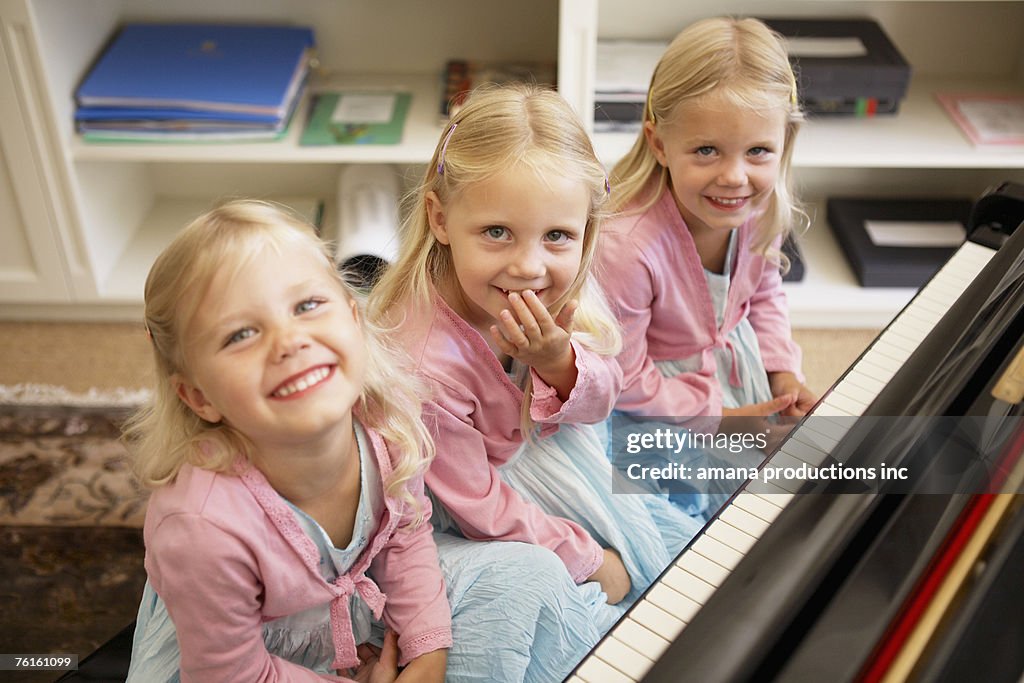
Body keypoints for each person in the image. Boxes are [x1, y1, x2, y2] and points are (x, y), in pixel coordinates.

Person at [368, 84, 702, 665]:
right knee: (593, 617)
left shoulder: (555, 281)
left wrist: (557, 361)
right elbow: (478, 507)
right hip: (457, 505)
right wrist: (587, 558)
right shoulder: (422, 365)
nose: (528, 265)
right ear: (440, 218)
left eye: (557, 237)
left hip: (538, 456)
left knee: (684, 555)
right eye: (496, 232)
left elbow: (602, 397)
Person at [596, 17, 818, 516]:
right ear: (659, 143)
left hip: (732, 374)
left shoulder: (760, 207)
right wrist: (725, 420)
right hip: (653, 405)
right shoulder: (626, 246)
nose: (735, 177)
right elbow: (625, 383)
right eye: (706, 151)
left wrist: (783, 373)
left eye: (758, 151)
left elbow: (763, 296)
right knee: (692, 524)